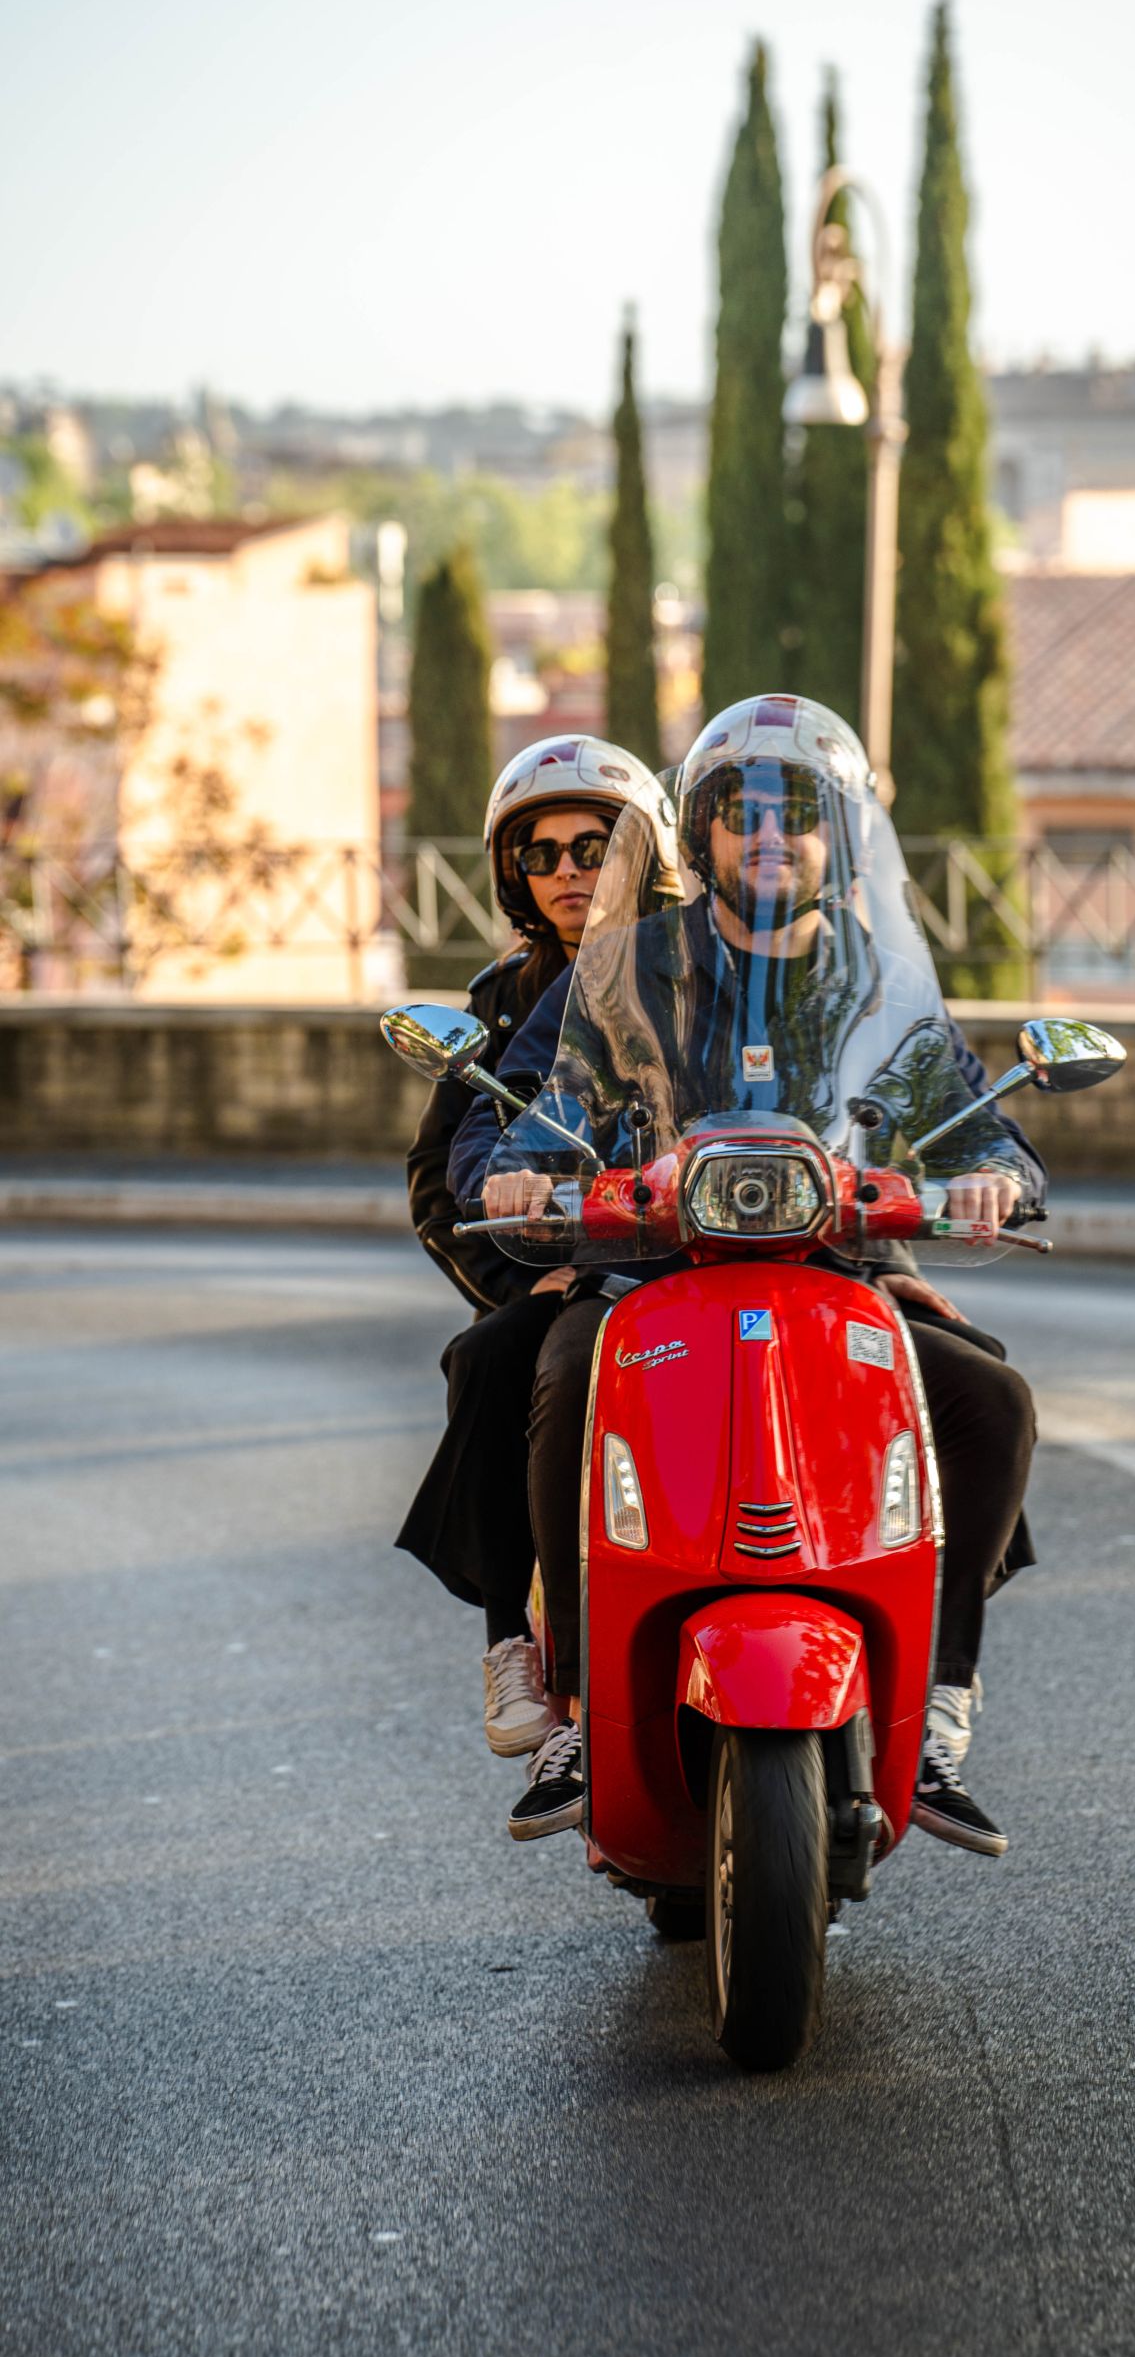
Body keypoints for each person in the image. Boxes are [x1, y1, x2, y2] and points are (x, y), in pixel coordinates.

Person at [452, 695, 1044, 1850]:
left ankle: (936, 1699)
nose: (770, 835)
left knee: (991, 1403)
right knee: (562, 1378)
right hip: (648, 1278)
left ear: (840, 836)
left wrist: (992, 1176)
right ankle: (574, 1701)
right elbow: (537, 1100)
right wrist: (517, 1171)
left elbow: (979, 1123)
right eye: (740, 812)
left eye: (798, 813)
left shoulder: (878, 982)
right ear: (701, 831)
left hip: (836, 1275)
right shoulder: (626, 968)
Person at [394, 734, 678, 1759]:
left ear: (643, 852)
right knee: (491, 1357)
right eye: (541, 854)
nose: (567, 871)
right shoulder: (505, 997)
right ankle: (514, 1640)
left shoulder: (701, 972)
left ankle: (933, 1661)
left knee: (936, 1364)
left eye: (592, 847)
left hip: (704, 1259)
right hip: (560, 1273)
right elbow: (442, 1176)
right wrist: (522, 1275)